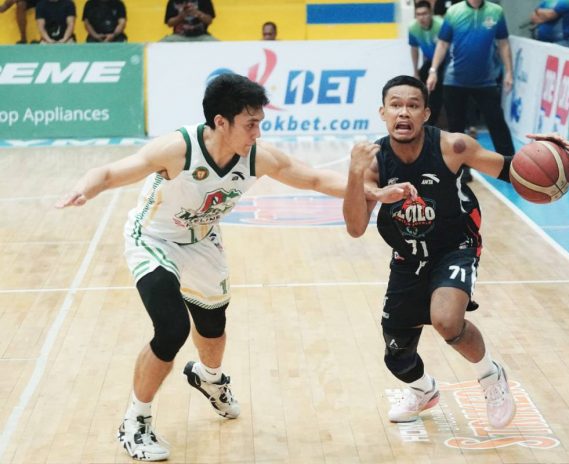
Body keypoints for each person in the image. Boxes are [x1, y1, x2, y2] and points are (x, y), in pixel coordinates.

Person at [55, 74, 412, 462]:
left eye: (260, 122)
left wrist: (371, 191)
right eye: (250, 124)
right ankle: (134, 421)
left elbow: (312, 178)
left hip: (203, 241)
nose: (257, 132)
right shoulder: (179, 148)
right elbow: (112, 171)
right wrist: (86, 187)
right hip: (154, 240)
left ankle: (209, 379)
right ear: (220, 122)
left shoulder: (257, 156)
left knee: (213, 329)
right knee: (171, 328)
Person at [342, 75, 569, 428]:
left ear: (426, 113)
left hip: (455, 246)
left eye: (412, 105)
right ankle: (424, 391)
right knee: (397, 357)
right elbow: (355, 228)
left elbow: (511, 169)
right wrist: (356, 175)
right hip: (407, 257)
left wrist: (548, 156)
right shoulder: (375, 162)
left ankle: (491, 378)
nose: (403, 112)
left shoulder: (453, 147)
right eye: (395, 105)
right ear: (382, 112)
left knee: (446, 320)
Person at [427, 0, 516, 183]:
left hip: (486, 81)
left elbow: (503, 43)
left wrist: (509, 71)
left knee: (497, 123)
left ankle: (512, 169)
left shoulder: (496, 11)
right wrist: (433, 71)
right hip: (455, 80)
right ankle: (461, 170)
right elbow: (443, 44)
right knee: (456, 129)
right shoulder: (454, 11)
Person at [409, 1, 446, 126]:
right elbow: (414, 49)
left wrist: (434, 70)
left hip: (448, 61)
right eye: (418, 14)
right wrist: (415, 72)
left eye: (424, 13)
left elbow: (447, 47)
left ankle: (430, 126)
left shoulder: (441, 25)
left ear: (431, 13)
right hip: (430, 61)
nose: (421, 17)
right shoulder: (413, 28)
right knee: (418, 84)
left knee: (436, 88)